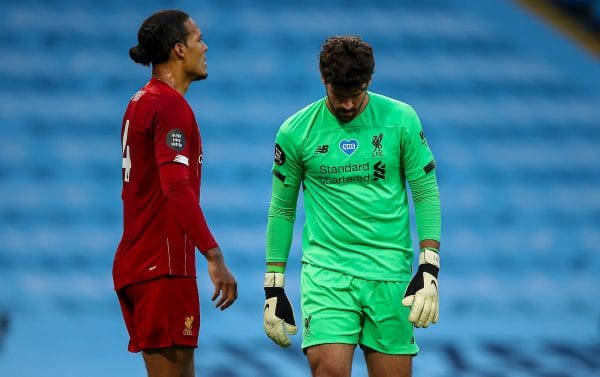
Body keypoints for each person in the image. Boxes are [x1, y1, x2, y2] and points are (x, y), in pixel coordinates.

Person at [263, 36, 441, 377]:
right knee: (328, 369)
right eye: (338, 95)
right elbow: (282, 209)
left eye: (355, 95)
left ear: (369, 82)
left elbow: (426, 192)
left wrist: (429, 267)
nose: (346, 105)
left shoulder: (401, 120)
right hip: (326, 273)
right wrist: (274, 286)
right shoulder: (295, 131)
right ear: (323, 80)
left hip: (388, 272)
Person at [113, 9, 237, 377]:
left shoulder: (142, 101)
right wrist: (213, 256)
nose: (205, 46)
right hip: (160, 268)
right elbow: (176, 187)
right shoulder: (169, 105)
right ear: (180, 50)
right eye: (198, 39)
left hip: (146, 263)